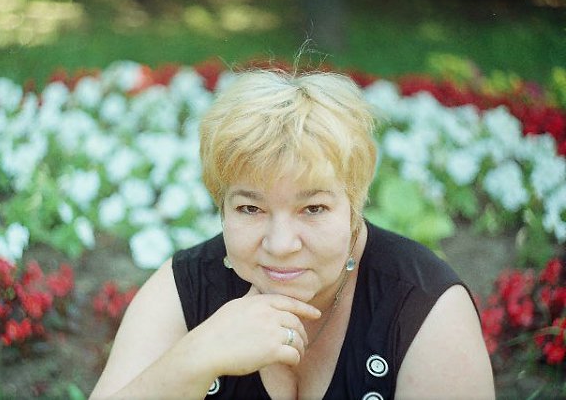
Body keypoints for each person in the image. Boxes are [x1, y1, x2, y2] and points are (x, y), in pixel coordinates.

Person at [90, 68, 495, 399]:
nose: (281, 245)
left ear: (354, 204)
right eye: (250, 208)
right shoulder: (186, 286)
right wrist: (195, 357)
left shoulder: (423, 308)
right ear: (221, 205)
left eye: (313, 208)